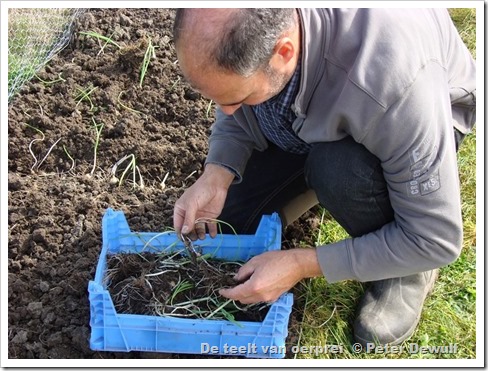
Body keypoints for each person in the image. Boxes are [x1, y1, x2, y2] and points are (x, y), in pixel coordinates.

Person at [171, 8, 476, 346]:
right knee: (230, 221)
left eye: (238, 99)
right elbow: (231, 91)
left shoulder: (393, 86)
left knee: (337, 172)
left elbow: (435, 239)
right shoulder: (258, 39)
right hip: (309, 103)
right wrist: (218, 170)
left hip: (401, 118)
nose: (226, 110)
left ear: (283, 53)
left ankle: (404, 272)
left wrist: (304, 263)